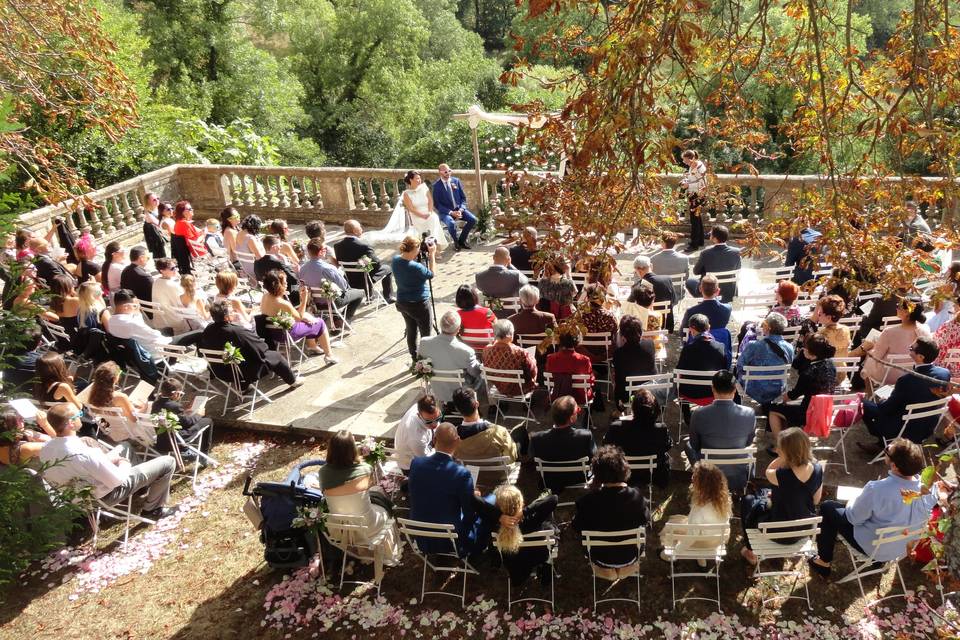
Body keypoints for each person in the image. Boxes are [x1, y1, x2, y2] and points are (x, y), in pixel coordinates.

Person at [809, 439, 942, 578]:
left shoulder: (877, 489)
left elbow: (853, 518)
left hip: (873, 547)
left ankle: (823, 562)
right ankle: (877, 562)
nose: (887, 447)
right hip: (901, 548)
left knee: (827, 507)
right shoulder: (930, 490)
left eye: (887, 451)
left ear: (895, 466)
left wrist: (852, 501)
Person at [39, 403, 176, 519]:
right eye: (79, 415)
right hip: (106, 495)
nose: (81, 417)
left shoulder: (45, 450)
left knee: (125, 446)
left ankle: (143, 487)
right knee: (168, 462)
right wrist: (123, 462)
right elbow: (118, 480)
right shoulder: (84, 452)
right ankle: (153, 510)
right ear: (70, 423)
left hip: (82, 500)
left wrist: (109, 460)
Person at [318, 430, 402, 576]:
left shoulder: (323, 473)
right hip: (367, 526)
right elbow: (369, 487)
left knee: (363, 499)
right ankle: (376, 549)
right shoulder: (365, 469)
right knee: (378, 494)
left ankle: (357, 550)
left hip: (339, 527)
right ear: (352, 450)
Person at [739, 428, 823, 565]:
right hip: (803, 529)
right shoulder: (817, 468)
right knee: (765, 492)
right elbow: (816, 499)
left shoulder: (781, 475)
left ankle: (750, 551)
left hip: (778, 533)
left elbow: (768, 471)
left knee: (747, 501)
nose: (777, 450)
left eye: (780, 448)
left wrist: (783, 458)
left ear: (789, 453)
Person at [859, 336, 950, 452]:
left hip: (904, 429)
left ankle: (882, 440)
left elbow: (885, 409)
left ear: (921, 357)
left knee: (862, 403)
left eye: (911, 348)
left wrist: (883, 401)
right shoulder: (944, 374)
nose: (909, 348)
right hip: (927, 427)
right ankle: (882, 444)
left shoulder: (906, 381)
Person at [572, 445, 650, 580]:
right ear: (624, 469)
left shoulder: (587, 501)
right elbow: (646, 520)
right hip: (630, 555)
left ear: (597, 474)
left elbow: (577, 526)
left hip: (599, 557)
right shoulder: (637, 497)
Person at [407, 422, 485, 555]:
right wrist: (474, 497)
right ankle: (478, 550)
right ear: (458, 441)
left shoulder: (416, 463)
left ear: (434, 440)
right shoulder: (462, 474)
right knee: (490, 502)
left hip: (421, 536)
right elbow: (469, 514)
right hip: (450, 540)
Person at [200, 300, 305, 389]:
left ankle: (243, 388)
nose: (234, 312)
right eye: (232, 312)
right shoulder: (237, 331)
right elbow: (261, 349)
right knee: (275, 356)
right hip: (241, 372)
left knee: (240, 356)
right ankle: (293, 380)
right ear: (227, 317)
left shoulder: (208, 329)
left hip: (220, 371)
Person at [684, 370, 756, 491]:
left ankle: (698, 476)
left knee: (688, 444)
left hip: (709, 474)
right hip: (738, 475)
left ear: (713, 389)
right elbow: (748, 443)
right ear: (734, 390)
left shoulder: (699, 413)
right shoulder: (749, 413)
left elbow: (695, 445)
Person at [478, 484, 558, 586]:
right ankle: (545, 567)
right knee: (550, 524)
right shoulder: (531, 519)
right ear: (520, 502)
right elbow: (553, 498)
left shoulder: (493, 522)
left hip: (513, 562)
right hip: (539, 556)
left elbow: (476, 502)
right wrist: (524, 512)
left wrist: (498, 515)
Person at [659, 461, 732, 563]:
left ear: (702, 485)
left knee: (672, 527)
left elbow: (690, 538)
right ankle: (701, 558)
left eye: (695, 477)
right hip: (716, 540)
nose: (692, 477)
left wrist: (675, 552)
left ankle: (695, 553)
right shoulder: (723, 501)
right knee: (693, 526)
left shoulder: (700, 510)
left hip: (700, 541)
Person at [767, 333, 837, 439]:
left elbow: (793, 395)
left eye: (805, 349)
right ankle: (790, 439)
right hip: (825, 411)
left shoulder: (808, 373)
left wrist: (782, 399)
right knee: (787, 408)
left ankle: (781, 446)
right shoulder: (831, 364)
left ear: (812, 354)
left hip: (808, 414)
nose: (803, 350)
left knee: (773, 409)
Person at [259, 270, 337, 362]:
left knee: (308, 317)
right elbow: (299, 318)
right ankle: (329, 355)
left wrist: (304, 316)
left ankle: (313, 346)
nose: (287, 284)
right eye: (284, 282)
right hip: (287, 334)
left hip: (272, 333)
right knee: (320, 322)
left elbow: (289, 315)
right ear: (277, 285)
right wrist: (303, 300)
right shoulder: (281, 303)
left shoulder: (265, 296)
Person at [854, 297, 931, 388]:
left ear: (907, 312)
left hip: (889, 375)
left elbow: (877, 357)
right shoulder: (925, 329)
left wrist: (869, 349)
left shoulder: (889, 332)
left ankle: (869, 398)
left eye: (898, 306)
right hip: (913, 372)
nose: (896, 308)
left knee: (867, 364)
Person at [604, 389, 672, 488]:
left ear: (634, 409)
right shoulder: (661, 429)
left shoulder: (616, 427)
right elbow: (668, 446)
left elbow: (606, 445)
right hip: (652, 474)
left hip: (622, 474)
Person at [450, 387, 518, 486]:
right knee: (519, 433)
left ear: (457, 409)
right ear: (477, 404)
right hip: (499, 477)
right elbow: (512, 457)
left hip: (472, 478)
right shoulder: (499, 432)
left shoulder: (452, 437)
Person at [529, 396, 596, 494]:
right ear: (572, 417)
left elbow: (532, 459)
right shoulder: (586, 436)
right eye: (577, 410)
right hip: (579, 477)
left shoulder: (536, 438)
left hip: (548, 479)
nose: (578, 412)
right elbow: (594, 458)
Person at [417, 310, 481, 405]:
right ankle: (479, 408)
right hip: (461, 394)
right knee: (482, 377)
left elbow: (421, 363)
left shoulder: (424, 342)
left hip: (437, 390)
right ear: (458, 329)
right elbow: (475, 372)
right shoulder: (466, 351)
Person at [735, 312, 795, 406]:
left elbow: (740, 365)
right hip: (778, 387)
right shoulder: (789, 347)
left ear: (767, 327)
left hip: (753, 387)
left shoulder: (753, 345)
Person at [393, 234, 436, 360]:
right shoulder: (416, 267)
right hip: (419, 304)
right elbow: (431, 274)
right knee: (426, 334)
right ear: (414, 249)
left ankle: (414, 356)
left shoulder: (396, 260)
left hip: (402, 302)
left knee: (411, 330)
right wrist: (432, 254)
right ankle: (425, 359)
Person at [299, 238, 364, 321]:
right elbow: (344, 287)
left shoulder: (302, 269)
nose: (326, 250)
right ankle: (343, 319)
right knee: (361, 292)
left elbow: (301, 286)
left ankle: (337, 318)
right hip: (332, 302)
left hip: (313, 303)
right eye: (325, 249)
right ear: (321, 252)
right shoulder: (328, 268)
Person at [675, 314, 727, 416]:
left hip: (689, 393)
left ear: (691, 329)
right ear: (708, 327)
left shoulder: (688, 349)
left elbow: (679, 371)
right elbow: (724, 370)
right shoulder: (721, 347)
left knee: (676, 383)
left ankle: (687, 417)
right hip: (713, 392)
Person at [334, 219, 395, 303]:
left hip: (349, 280)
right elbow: (377, 263)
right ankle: (388, 297)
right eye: (360, 227)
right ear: (355, 231)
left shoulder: (337, 246)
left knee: (369, 269)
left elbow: (339, 261)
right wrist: (364, 265)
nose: (362, 229)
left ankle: (369, 293)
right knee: (387, 268)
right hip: (365, 280)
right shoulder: (364, 246)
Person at [150, 378, 213, 456]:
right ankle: (204, 452)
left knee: (196, 419)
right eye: (181, 394)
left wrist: (185, 410)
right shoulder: (175, 406)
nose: (180, 396)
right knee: (208, 420)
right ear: (175, 393)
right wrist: (199, 414)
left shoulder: (155, 404)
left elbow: (176, 416)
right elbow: (188, 423)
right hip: (177, 439)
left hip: (162, 440)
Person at [389, 170, 448, 249]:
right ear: (411, 180)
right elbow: (411, 209)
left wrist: (430, 212)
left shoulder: (424, 187)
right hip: (417, 215)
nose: (419, 180)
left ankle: (434, 247)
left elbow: (430, 201)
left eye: (420, 178)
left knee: (434, 219)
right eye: (417, 178)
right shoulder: (406, 193)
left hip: (428, 212)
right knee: (426, 224)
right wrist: (422, 215)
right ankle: (428, 247)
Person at [481, 319, 537, 397]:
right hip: (520, 389)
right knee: (532, 366)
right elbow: (532, 372)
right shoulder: (521, 352)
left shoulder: (486, 350)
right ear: (510, 334)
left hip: (498, 387)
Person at [686, 225, 741, 302]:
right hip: (730, 290)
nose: (709, 234)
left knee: (689, 282)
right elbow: (737, 268)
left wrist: (705, 269)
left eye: (711, 233)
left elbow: (695, 271)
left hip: (709, 291)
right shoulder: (737, 252)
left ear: (714, 238)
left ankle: (705, 301)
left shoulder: (705, 253)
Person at [611, 314, 656, 406]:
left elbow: (618, 378)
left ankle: (619, 408)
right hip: (649, 391)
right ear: (640, 331)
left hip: (627, 395)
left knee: (614, 376)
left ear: (623, 335)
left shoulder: (618, 353)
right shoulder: (650, 344)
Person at [432, 164, 477, 250]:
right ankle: (456, 242)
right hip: (445, 212)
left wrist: (461, 209)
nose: (448, 173)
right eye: (445, 171)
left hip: (458, 209)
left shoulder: (456, 181)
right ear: (440, 173)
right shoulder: (436, 186)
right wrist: (451, 212)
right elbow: (437, 204)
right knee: (451, 223)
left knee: (473, 219)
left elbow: (463, 198)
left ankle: (462, 240)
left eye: (449, 171)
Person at [394, 393, 442, 472]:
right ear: (419, 415)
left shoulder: (421, 406)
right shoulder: (416, 437)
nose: (435, 425)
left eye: (438, 418)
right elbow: (426, 460)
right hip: (410, 466)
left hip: (421, 450)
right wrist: (439, 448)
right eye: (428, 422)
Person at [544, 331, 595, 405]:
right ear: (576, 342)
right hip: (580, 397)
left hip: (558, 396)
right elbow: (590, 381)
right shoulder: (584, 360)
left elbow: (550, 378)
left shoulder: (550, 358)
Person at [475, 248, 528, 315]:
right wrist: (510, 266)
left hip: (492, 313)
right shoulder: (516, 275)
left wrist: (497, 303)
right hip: (512, 312)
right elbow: (525, 281)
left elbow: (480, 289)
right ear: (508, 259)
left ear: (493, 257)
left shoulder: (479, 276)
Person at [632, 255, 676, 330]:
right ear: (651, 266)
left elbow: (633, 308)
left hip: (649, 324)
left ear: (639, 271)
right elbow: (674, 300)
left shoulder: (638, 286)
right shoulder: (667, 279)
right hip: (667, 323)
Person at [254, 235, 300, 305]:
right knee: (300, 285)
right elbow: (293, 279)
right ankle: (299, 303)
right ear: (274, 247)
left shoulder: (257, 262)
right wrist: (295, 271)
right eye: (280, 246)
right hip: (285, 294)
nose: (280, 248)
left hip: (268, 293)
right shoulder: (277, 262)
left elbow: (258, 279)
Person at [580, 283, 618, 364]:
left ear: (587, 298)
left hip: (585, 355)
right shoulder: (610, 317)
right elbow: (615, 336)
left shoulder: (580, 316)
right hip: (605, 354)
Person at [679, 150, 708, 249]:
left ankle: (694, 244)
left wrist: (688, 184)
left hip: (698, 195)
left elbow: (704, 184)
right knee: (696, 219)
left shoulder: (699, 166)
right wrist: (686, 181)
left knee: (695, 219)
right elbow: (694, 179)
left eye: (685, 160)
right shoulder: (693, 165)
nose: (684, 162)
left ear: (690, 158)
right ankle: (699, 241)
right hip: (694, 194)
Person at [151, 258, 189, 333]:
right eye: (172, 268)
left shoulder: (157, 281)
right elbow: (184, 302)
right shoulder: (170, 284)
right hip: (173, 318)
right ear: (162, 271)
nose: (176, 270)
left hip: (161, 317)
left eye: (176, 267)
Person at [650, 231, 690, 297]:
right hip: (678, 293)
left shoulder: (653, 259)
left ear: (663, 243)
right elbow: (686, 277)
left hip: (659, 294)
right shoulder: (685, 258)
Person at [142, 192, 167, 258]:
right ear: (148, 202)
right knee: (160, 256)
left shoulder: (159, 208)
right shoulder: (148, 214)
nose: (157, 201)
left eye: (157, 198)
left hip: (161, 234)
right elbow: (160, 224)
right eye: (154, 200)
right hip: (155, 237)